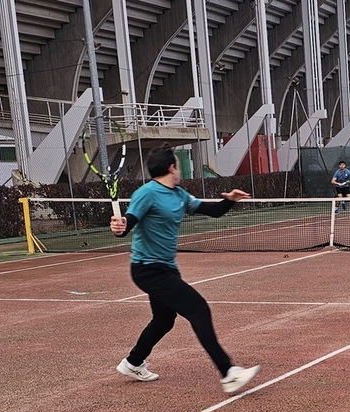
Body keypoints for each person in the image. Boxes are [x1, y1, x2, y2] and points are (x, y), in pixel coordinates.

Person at [109, 147, 261, 394]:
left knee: (164, 320)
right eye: (178, 165)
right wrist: (120, 226)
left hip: (166, 268)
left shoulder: (179, 195)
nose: (179, 170)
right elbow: (129, 222)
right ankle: (228, 373)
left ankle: (133, 362)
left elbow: (211, 211)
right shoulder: (146, 193)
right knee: (198, 309)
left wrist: (229, 200)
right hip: (147, 269)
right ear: (171, 167)